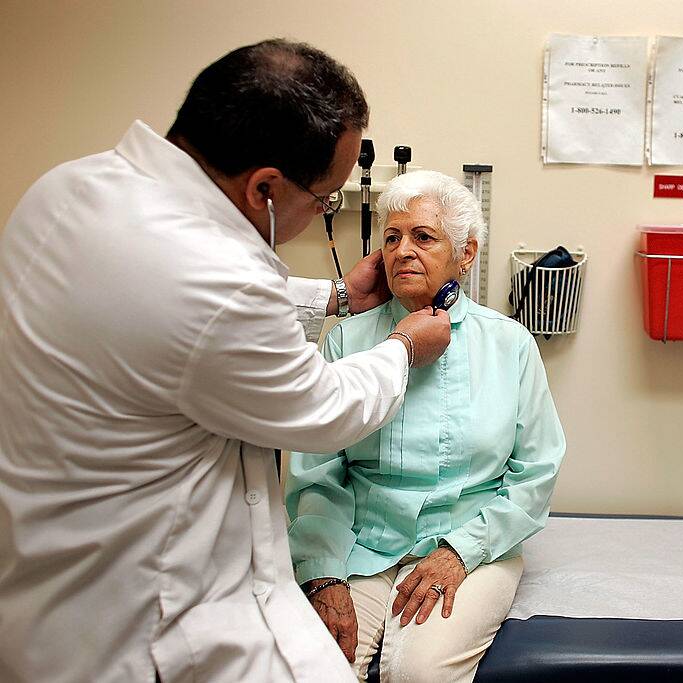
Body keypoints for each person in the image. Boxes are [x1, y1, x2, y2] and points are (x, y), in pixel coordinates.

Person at [0, 40, 451, 683]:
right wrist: (404, 348)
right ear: (264, 188)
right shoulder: (219, 282)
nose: (326, 211)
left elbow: (153, 306)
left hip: (44, 595)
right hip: (143, 621)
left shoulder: (71, 189)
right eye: (326, 199)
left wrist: (333, 297)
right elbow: (323, 408)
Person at [285, 170, 566, 682]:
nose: (403, 250)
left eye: (423, 236)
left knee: (420, 672)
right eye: (392, 237)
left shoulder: (509, 344)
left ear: (467, 254)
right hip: (358, 544)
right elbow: (318, 474)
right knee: (312, 667)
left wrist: (461, 553)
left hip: (472, 545)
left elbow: (536, 473)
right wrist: (322, 573)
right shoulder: (347, 341)